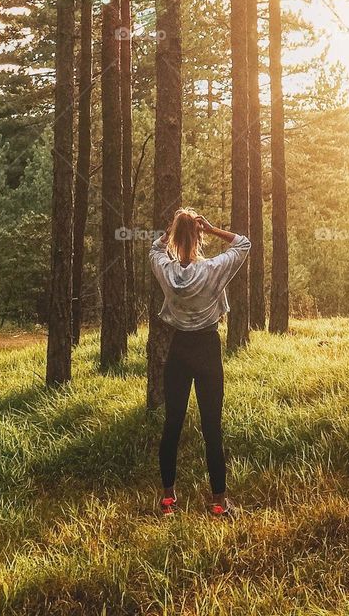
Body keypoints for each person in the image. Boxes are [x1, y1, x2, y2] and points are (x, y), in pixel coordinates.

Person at [149, 210, 251, 518]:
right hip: (207, 349)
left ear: (176, 238)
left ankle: (168, 500)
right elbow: (243, 244)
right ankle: (219, 502)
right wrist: (211, 228)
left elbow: (155, 249)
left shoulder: (167, 271)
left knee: (172, 425)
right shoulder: (213, 270)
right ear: (199, 235)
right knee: (212, 427)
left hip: (179, 349)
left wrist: (173, 230)